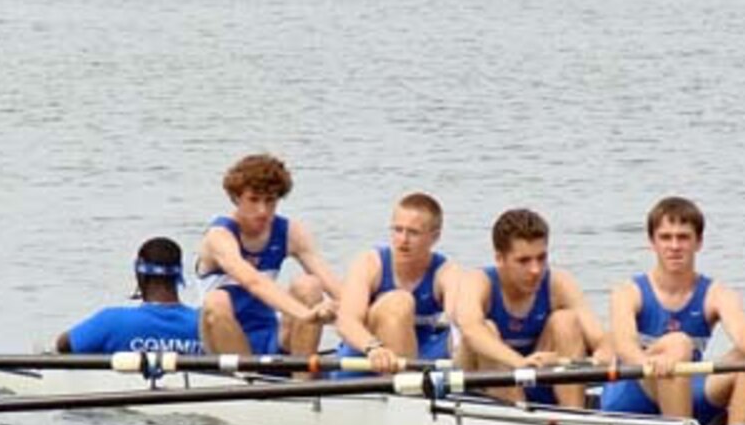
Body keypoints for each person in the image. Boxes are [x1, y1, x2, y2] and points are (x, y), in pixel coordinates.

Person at [598, 196, 745, 425]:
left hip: (687, 391)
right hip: (632, 396)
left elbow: (742, 333)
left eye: (683, 237)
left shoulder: (718, 294)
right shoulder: (628, 292)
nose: (675, 246)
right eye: (666, 238)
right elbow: (624, 345)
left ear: (698, 242)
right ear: (652, 242)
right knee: (678, 344)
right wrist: (649, 365)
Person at [451, 207, 609, 408]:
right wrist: (519, 362)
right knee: (486, 329)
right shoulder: (477, 282)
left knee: (566, 320)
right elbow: (472, 331)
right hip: (482, 384)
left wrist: (594, 358)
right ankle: (518, 416)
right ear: (499, 259)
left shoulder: (558, 283)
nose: (535, 270)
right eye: (523, 261)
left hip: (535, 377)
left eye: (541, 258)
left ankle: (575, 415)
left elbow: (602, 341)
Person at [195, 152, 339, 356]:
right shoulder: (220, 236)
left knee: (310, 285)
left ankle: (302, 382)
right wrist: (306, 315)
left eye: (270, 200)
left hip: (269, 333)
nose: (262, 210)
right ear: (236, 198)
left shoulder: (290, 232)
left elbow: (331, 284)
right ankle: (245, 380)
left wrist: (358, 315)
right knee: (217, 300)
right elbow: (253, 282)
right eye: (253, 200)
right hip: (219, 337)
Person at [333, 192, 459, 374]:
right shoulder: (370, 264)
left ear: (435, 237)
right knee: (400, 301)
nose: (403, 240)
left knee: (483, 327)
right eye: (398, 230)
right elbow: (346, 321)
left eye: (413, 233)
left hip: (421, 355)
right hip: (368, 357)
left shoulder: (447, 272)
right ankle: (410, 392)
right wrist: (373, 348)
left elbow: (461, 318)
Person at [55, 237, 204, 356]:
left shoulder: (110, 321)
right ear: (179, 275)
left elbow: (63, 346)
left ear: (140, 275)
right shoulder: (205, 324)